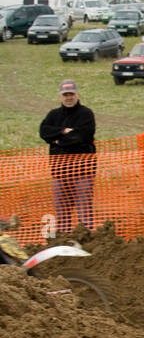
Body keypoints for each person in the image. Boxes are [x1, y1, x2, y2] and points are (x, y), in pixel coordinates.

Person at [38, 79, 96, 232]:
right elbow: (43, 132)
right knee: (62, 211)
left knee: (84, 210)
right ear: (60, 96)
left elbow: (82, 136)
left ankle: (87, 239)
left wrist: (57, 140)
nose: (68, 97)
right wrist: (64, 131)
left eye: (71, 94)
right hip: (59, 171)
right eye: (65, 95)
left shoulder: (86, 114)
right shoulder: (53, 115)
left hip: (83, 171)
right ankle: (64, 240)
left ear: (77, 94)